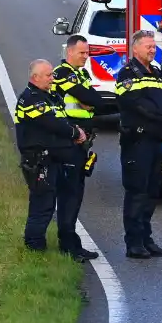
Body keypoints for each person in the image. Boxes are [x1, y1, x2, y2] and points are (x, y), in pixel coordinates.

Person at [114, 29, 162, 259]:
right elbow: (140, 107)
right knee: (137, 191)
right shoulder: (127, 74)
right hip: (138, 141)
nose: (152, 50)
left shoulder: (158, 72)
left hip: (157, 141)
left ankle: (145, 238)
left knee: (152, 192)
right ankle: (133, 243)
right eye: (148, 46)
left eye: (154, 46)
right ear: (135, 48)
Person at [14, 59, 90, 258]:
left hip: (53, 160)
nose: (52, 78)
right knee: (42, 205)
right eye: (48, 75)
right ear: (35, 77)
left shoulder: (50, 97)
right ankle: (34, 248)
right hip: (38, 161)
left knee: (55, 202)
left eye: (52, 74)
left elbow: (62, 119)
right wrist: (75, 133)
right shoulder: (31, 98)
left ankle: (63, 245)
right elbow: (52, 124)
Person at [50, 35, 105, 260]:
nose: (86, 56)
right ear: (69, 52)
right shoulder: (62, 73)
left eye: (87, 52)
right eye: (82, 52)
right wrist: (89, 99)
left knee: (76, 193)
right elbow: (87, 97)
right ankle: (67, 244)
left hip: (82, 142)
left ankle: (72, 242)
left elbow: (94, 101)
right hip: (69, 141)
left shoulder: (81, 74)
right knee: (69, 194)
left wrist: (90, 100)